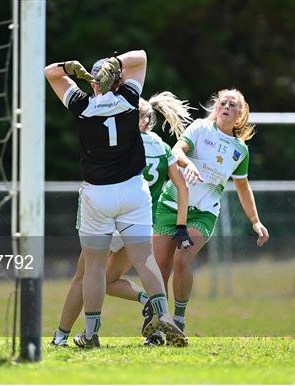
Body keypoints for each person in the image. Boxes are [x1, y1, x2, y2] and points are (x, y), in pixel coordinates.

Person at [44, 51, 188, 349]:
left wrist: (68, 67)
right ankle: (163, 315)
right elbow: (143, 57)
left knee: (94, 268)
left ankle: (91, 332)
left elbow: (51, 74)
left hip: (98, 194)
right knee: (144, 258)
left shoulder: (82, 105)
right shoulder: (130, 99)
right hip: (134, 192)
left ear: (94, 84)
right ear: (120, 80)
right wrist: (118, 63)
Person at [146, 88, 270, 341]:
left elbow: (243, 188)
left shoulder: (240, 150)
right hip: (171, 205)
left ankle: (178, 319)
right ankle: (158, 325)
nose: (226, 106)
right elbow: (176, 150)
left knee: (182, 259)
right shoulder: (200, 129)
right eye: (222, 102)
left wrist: (255, 221)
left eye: (232, 104)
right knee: (160, 267)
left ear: (240, 114)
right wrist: (187, 162)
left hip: (203, 214)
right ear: (216, 107)